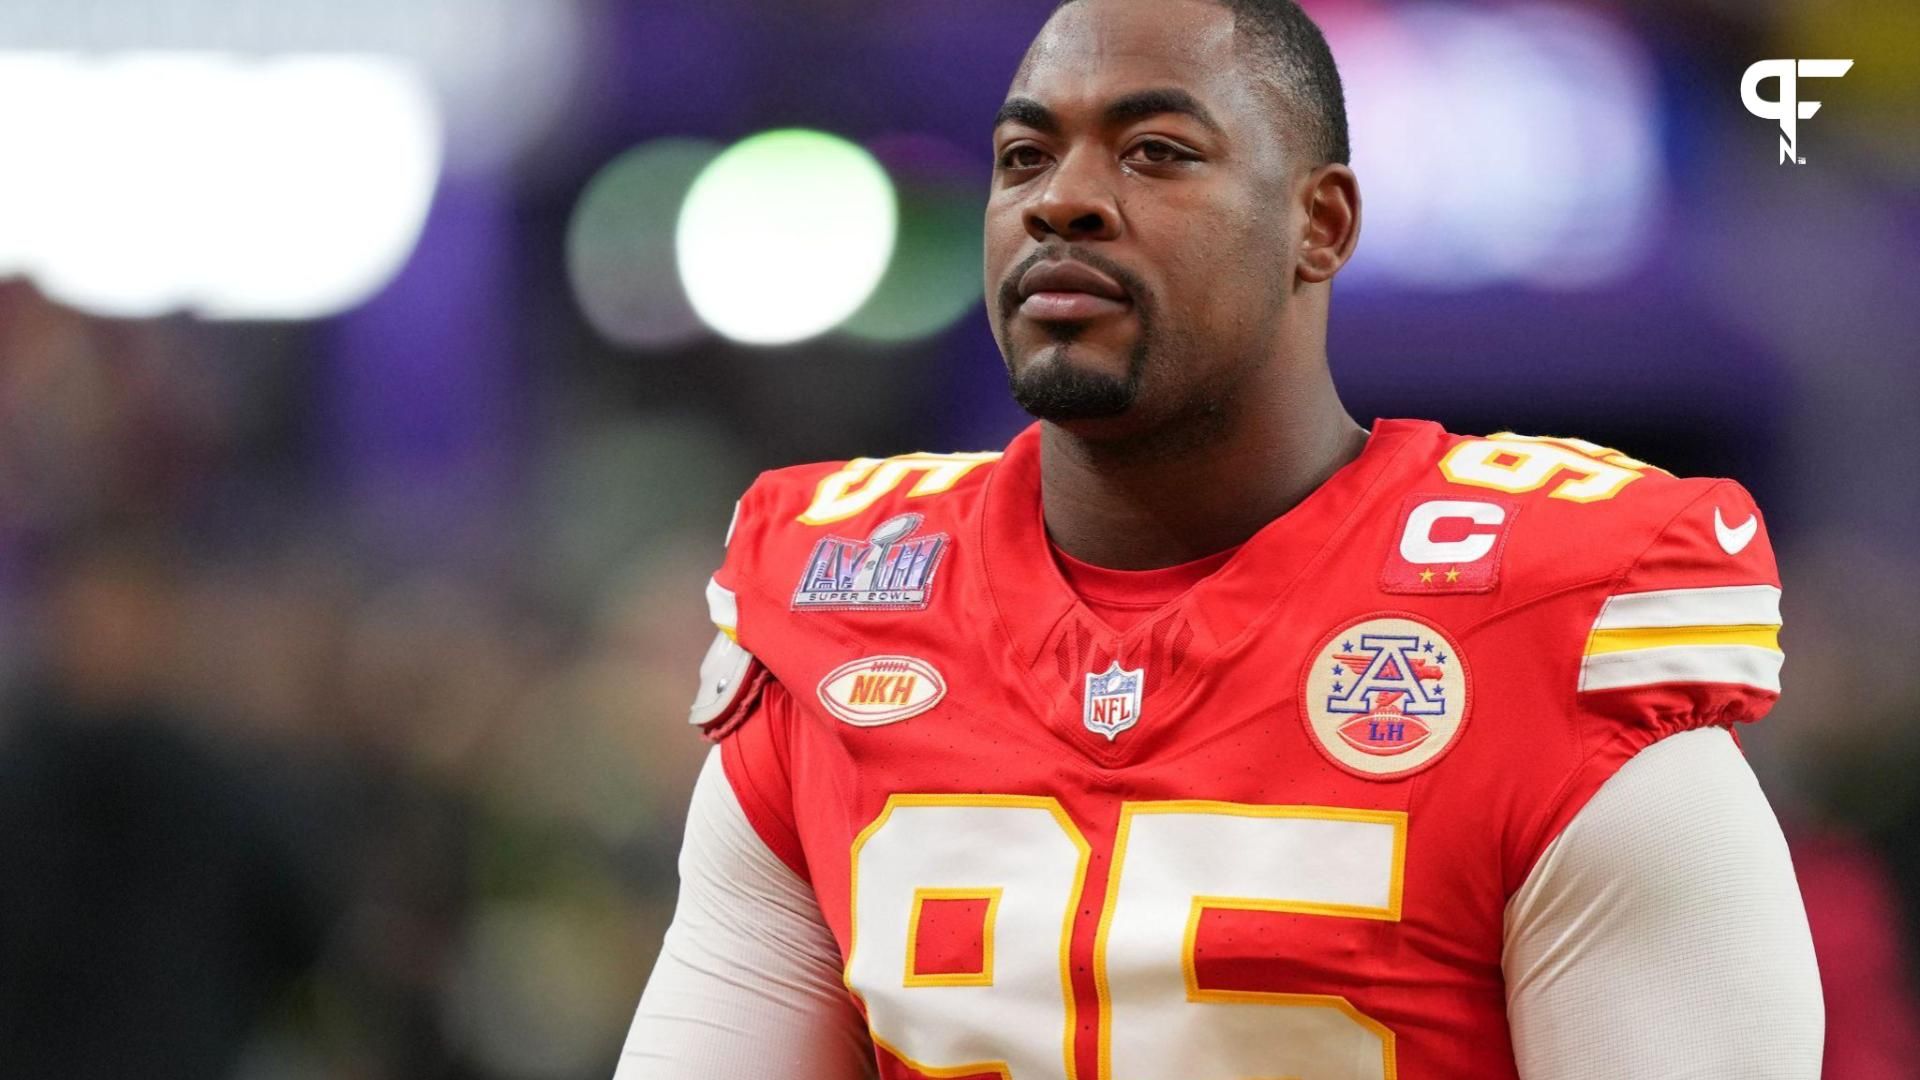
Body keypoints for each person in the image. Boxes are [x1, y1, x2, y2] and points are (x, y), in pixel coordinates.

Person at [615, 0, 1824, 1075]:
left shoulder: (1548, 624)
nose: (1062, 199)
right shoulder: (839, 614)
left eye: (1156, 152)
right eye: (1024, 155)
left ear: (1322, 223)